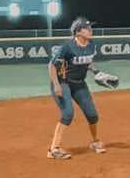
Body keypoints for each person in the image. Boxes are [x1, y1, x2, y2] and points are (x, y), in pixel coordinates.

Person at [46, 17, 117, 159]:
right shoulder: (67, 46)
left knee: (92, 115)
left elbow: (86, 62)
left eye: (90, 28)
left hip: (79, 83)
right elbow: (51, 65)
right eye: (87, 28)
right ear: (78, 32)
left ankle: (95, 142)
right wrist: (56, 85)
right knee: (68, 114)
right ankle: (54, 149)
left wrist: (96, 72)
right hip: (63, 82)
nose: (90, 30)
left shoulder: (91, 45)